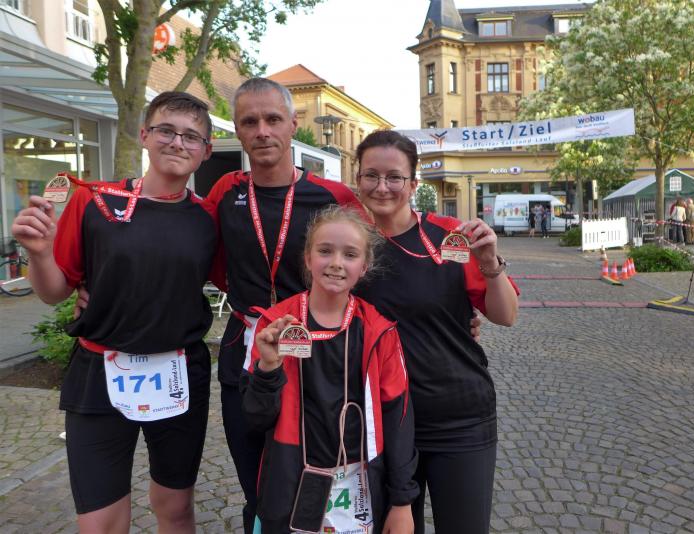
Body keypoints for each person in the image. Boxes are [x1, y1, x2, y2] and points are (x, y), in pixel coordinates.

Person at [11, 92, 216, 532]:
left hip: (179, 372)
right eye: (166, 130)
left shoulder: (208, 218)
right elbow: (54, 292)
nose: (177, 142)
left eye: (191, 136)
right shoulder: (95, 201)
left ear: (206, 150)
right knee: (100, 521)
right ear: (144, 135)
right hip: (99, 369)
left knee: (175, 507)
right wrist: (40, 254)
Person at [201, 78, 366, 533]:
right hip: (245, 349)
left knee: (315, 473)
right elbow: (201, 258)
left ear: (293, 124)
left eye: (273, 119)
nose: (262, 131)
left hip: (319, 357)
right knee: (254, 481)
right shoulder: (225, 193)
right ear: (237, 129)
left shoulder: (333, 197)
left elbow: (368, 267)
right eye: (250, 121)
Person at [353, 130, 519, 534]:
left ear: (413, 184)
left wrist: (489, 264)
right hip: (383, 423)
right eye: (371, 175)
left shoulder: (449, 236)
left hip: (457, 417)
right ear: (357, 180)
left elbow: (505, 315)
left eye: (394, 177)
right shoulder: (349, 244)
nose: (382, 186)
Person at [242, 206, 418, 533]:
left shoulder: (379, 332)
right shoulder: (274, 326)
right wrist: (268, 367)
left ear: (364, 266)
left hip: (361, 482)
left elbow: (398, 420)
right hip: (289, 482)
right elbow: (255, 419)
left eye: (349, 254)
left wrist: (402, 501)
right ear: (308, 258)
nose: (336, 263)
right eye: (325, 251)